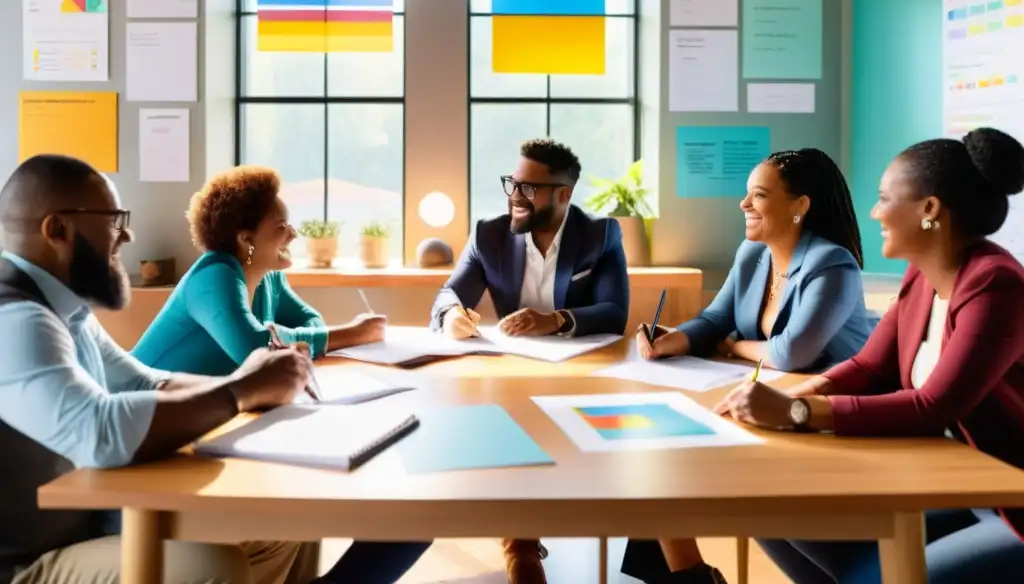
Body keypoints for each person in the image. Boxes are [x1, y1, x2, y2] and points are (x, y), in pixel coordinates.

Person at [0, 155, 429, 584]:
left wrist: (251, 388)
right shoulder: (16, 319)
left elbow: (144, 380)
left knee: (285, 523)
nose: (126, 233)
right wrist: (240, 391)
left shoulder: (66, 309)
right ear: (57, 229)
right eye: (113, 220)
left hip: (95, 512)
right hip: (35, 560)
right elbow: (101, 432)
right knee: (214, 569)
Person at [713, 128, 1024, 583]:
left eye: (883, 198)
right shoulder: (922, 277)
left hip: (1008, 502)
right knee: (765, 504)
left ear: (929, 210)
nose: (874, 211)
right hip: (954, 484)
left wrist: (797, 411)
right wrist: (785, 399)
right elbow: (869, 366)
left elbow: (932, 406)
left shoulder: (996, 285)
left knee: (896, 576)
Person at [622, 148, 875, 584]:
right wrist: (674, 339)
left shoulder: (833, 263)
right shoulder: (753, 253)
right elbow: (716, 319)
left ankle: (684, 575)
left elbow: (794, 352)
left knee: (681, 456)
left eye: (758, 195)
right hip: (770, 401)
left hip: (822, 413)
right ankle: (684, 574)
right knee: (659, 442)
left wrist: (735, 348)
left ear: (800, 206)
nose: (743, 205)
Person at [429, 138, 629, 584]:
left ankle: (527, 541)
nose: (515, 196)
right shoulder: (489, 233)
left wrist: (555, 319)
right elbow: (448, 295)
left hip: (579, 377)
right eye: (512, 184)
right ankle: (520, 545)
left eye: (529, 188)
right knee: (496, 423)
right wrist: (451, 318)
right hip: (509, 372)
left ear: (563, 194)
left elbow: (615, 313)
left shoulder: (600, 234)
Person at [132, 166, 384, 376]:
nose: (293, 234)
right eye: (281, 227)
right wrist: (354, 333)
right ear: (246, 240)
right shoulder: (214, 277)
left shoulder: (269, 276)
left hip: (193, 410)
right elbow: (253, 350)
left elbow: (311, 320)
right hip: (139, 411)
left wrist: (276, 334)